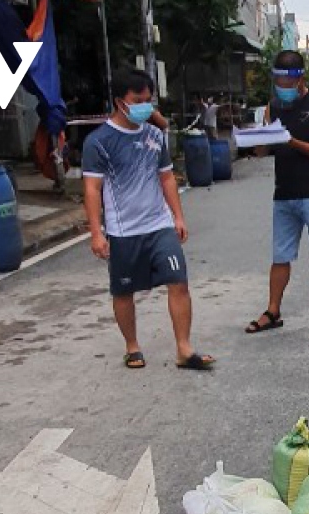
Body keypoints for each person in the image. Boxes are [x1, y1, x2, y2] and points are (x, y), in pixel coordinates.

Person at [82, 70, 215, 371]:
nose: (145, 106)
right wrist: (96, 233)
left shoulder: (155, 135)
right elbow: (92, 188)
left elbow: (167, 178)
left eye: (148, 100)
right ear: (119, 102)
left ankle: (184, 348)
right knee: (123, 291)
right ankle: (132, 347)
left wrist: (178, 216)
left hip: (159, 225)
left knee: (178, 281)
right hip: (123, 230)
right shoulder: (99, 142)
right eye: (137, 100)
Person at [246, 50, 309, 335]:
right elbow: (264, 149)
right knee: (280, 256)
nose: (281, 88)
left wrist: (293, 142)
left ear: (299, 78)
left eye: (285, 82)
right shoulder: (272, 107)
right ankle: (272, 310)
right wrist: (257, 141)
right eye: (277, 81)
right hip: (284, 194)